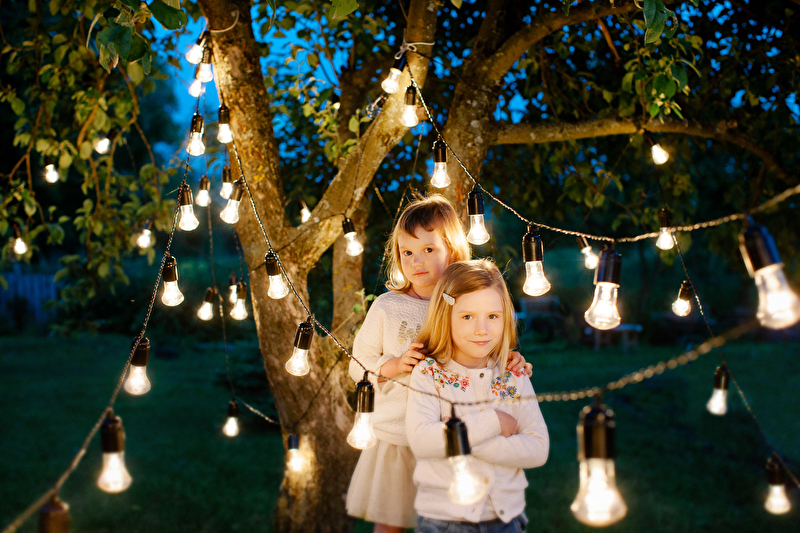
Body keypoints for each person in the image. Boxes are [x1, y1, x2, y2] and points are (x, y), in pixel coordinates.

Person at [346, 195, 531, 533]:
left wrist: (507, 358)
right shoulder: (387, 307)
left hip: (451, 435)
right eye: (407, 252)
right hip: (399, 439)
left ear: (453, 251)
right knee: (391, 524)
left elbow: (484, 347)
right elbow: (358, 365)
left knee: (449, 520)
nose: (416, 261)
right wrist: (395, 365)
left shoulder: (464, 304)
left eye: (429, 249)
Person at [406, 259, 549, 533]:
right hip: (443, 521)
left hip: (506, 520)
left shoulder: (513, 374)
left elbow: (538, 449)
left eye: (492, 316)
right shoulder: (429, 374)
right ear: (445, 316)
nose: (482, 329)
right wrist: (494, 421)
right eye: (467, 317)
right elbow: (423, 442)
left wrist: (458, 440)